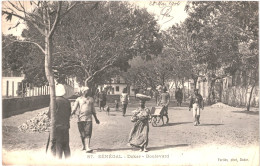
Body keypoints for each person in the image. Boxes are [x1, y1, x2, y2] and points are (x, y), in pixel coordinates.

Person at [71, 87, 100, 153]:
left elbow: (93, 110)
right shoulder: (79, 99)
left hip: (88, 118)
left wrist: (96, 119)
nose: (89, 92)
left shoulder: (91, 99)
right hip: (80, 118)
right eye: (87, 91)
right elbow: (74, 108)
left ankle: (87, 147)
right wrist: (71, 115)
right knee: (82, 133)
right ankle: (84, 146)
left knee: (88, 132)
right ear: (83, 92)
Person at [48, 84, 71, 159]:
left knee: (58, 146)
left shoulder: (54, 101)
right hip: (66, 126)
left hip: (57, 126)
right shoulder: (67, 101)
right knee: (66, 145)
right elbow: (69, 113)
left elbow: (50, 114)